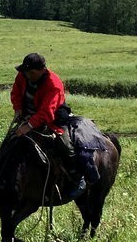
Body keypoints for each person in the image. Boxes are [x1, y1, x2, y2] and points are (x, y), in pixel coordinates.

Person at [9, 52, 85, 197]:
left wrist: (28, 126)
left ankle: (77, 178)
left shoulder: (54, 84)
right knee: (10, 142)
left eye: (31, 73)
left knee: (65, 145)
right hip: (27, 115)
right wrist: (18, 108)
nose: (28, 76)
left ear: (42, 70)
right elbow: (16, 92)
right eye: (26, 72)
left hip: (52, 117)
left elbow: (46, 112)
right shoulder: (23, 75)